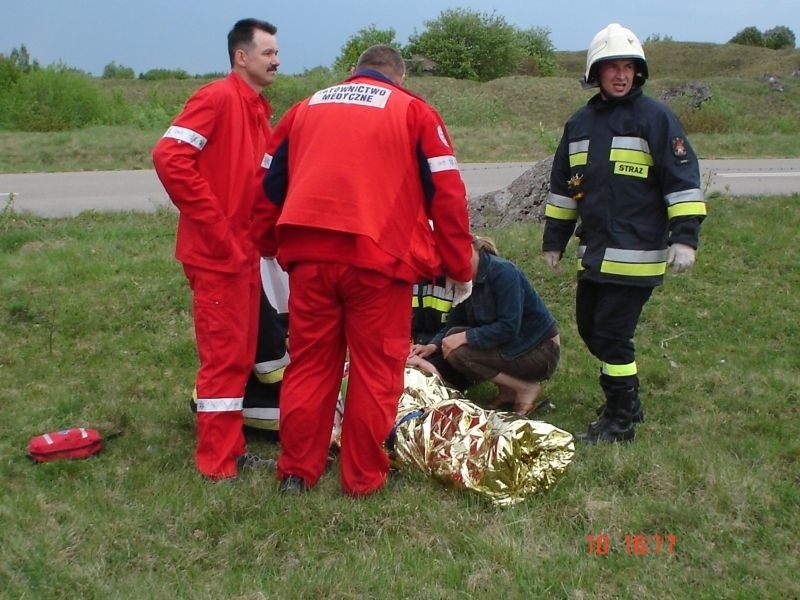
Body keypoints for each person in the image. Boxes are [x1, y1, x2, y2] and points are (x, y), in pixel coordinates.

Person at [253, 44, 473, 496]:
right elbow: (448, 196)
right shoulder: (415, 112)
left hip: (310, 260)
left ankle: (296, 472)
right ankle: (362, 479)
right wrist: (458, 266)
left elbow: (268, 183)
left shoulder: (303, 109)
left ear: (353, 73)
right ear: (400, 76)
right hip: (379, 264)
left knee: (310, 366)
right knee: (376, 372)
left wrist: (267, 243)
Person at [542, 23, 707, 444]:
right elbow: (564, 188)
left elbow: (682, 180)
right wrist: (554, 242)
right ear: (595, 73)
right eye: (611, 66)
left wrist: (685, 237)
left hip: (637, 253)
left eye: (628, 67)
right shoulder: (578, 124)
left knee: (613, 336)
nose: (620, 74)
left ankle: (620, 421)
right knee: (589, 329)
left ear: (638, 72)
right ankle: (627, 400)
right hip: (594, 253)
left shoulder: (656, 118)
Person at [152, 18, 280, 479]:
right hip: (218, 256)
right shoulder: (217, 97)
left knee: (242, 356)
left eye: (276, 52)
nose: (276, 60)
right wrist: (218, 226)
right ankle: (218, 461)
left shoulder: (257, 108)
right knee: (224, 359)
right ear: (241, 57)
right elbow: (169, 156)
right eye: (267, 52)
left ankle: (232, 447)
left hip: (243, 254)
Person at [409, 236, 560, 416]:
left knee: (459, 351)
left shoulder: (504, 273)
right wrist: (432, 346)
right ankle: (508, 390)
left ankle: (525, 389)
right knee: (452, 337)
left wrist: (465, 337)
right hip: (511, 347)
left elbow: (509, 327)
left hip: (539, 351)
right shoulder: (465, 281)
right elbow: (455, 322)